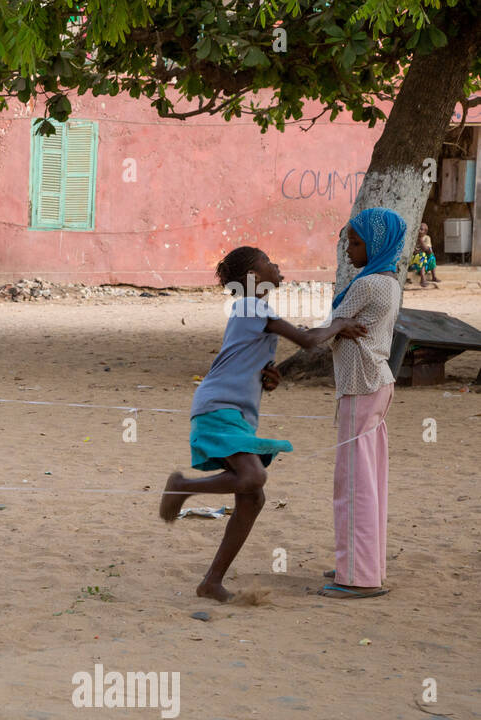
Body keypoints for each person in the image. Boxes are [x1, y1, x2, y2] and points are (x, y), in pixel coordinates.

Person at [160, 246, 366, 602]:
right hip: (218, 408)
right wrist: (340, 324)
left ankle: (211, 582)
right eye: (269, 262)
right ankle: (182, 487)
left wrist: (268, 379)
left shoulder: (254, 311)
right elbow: (307, 341)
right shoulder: (252, 306)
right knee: (253, 477)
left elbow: (249, 365)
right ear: (253, 278)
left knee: (252, 498)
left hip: (233, 412)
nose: (277, 265)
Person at [321, 208, 407, 599]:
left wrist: (334, 328)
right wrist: (339, 328)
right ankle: (364, 563)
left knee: (353, 481)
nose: (349, 250)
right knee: (369, 478)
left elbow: (325, 331)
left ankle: (357, 576)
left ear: (375, 243)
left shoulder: (367, 284)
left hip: (360, 385)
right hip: (378, 383)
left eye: (355, 242)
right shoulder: (389, 282)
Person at [407, 222, 438, 287]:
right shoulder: (413, 238)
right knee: (422, 255)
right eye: (418, 229)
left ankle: (434, 276)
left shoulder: (427, 238)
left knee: (432, 257)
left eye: (421, 229)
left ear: (425, 232)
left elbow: (428, 251)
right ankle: (423, 279)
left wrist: (420, 240)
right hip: (414, 263)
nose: (419, 231)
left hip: (424, 263)